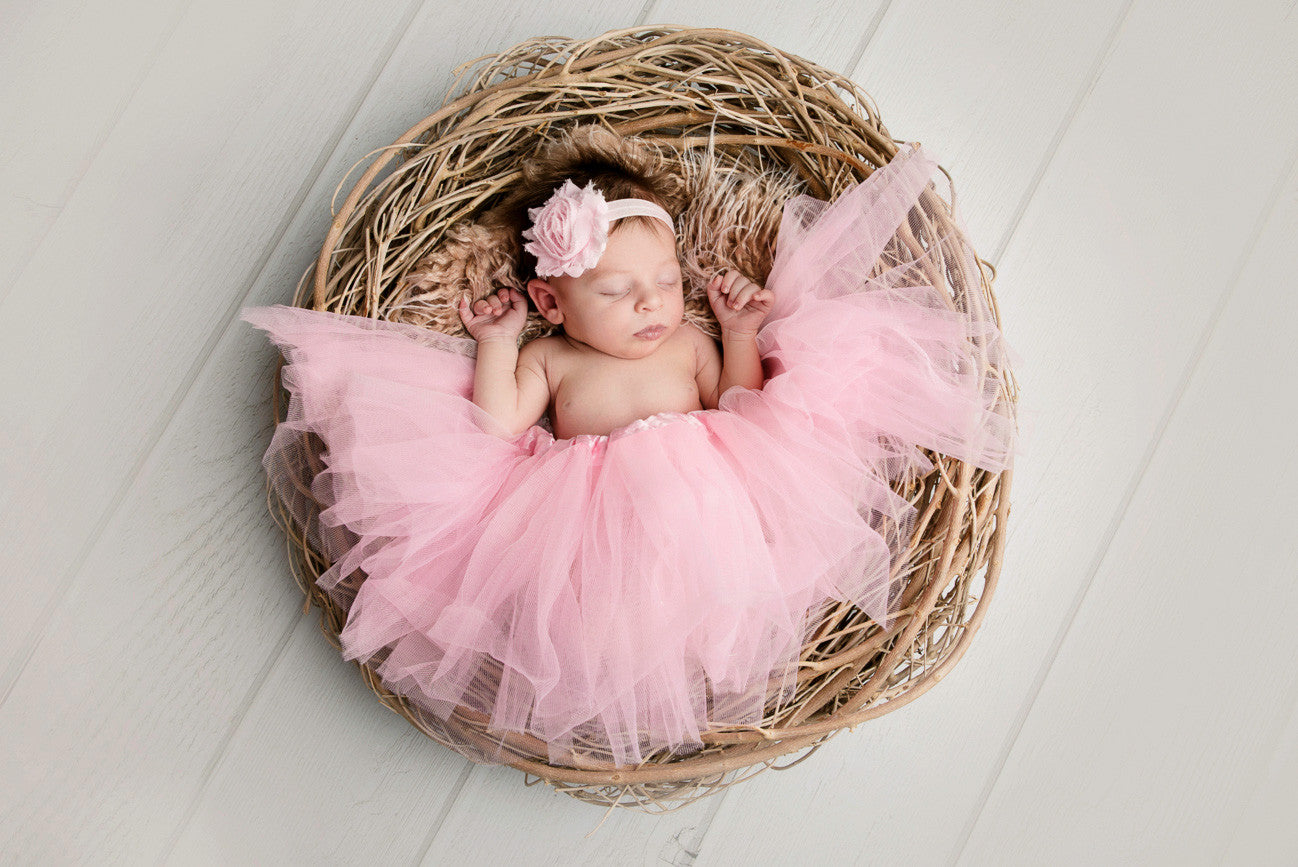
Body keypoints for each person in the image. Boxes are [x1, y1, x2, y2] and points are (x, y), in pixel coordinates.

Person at [241, 126, 1020, 769]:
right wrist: (500, 342)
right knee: (610, 626)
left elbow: (738, 402)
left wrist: (741, 330)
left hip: (712, 500)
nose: (650, 302)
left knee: (723, 590)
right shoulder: (554, 358)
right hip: (589, 523)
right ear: (551, 300)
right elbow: (498, 424)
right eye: (615, 291)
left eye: (665, 281)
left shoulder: (685, 341)